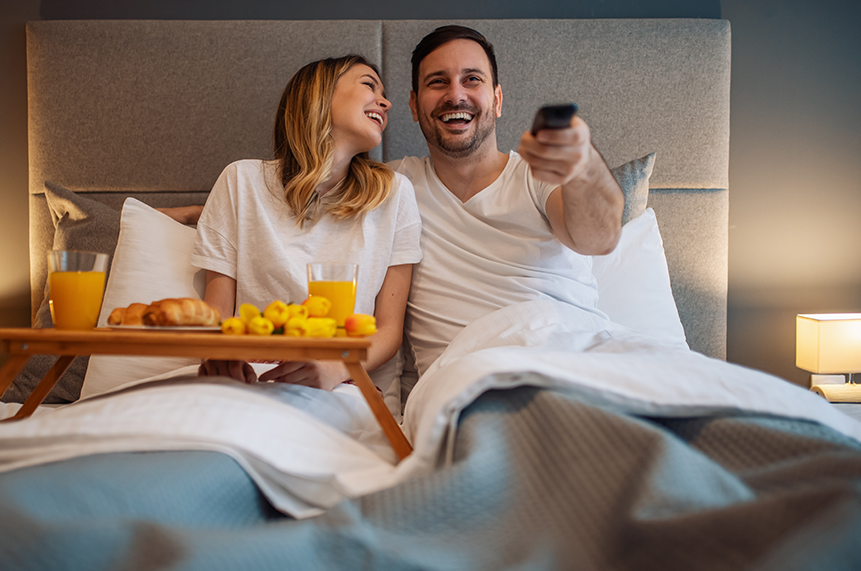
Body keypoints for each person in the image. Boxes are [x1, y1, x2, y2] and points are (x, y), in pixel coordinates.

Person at [391, 25, 625, 376]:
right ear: (413, 105)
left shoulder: (537, 176)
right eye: (437, 82)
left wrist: (584, 165)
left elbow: (598, 239)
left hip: (576, 359)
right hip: (467, 381)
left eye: (472, 79)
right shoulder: (396, 187)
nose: (456, 95)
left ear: (497, 100)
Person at [191, 55, 423, 400]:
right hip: (248, 380)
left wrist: (335, 367)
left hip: (344, 382)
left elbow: (389, 330)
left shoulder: (394, 194)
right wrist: (217, 357)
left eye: (383, 92)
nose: (386, 102)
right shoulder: (240, 181)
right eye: (368, 85)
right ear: (320, 94)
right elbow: (216, 315)